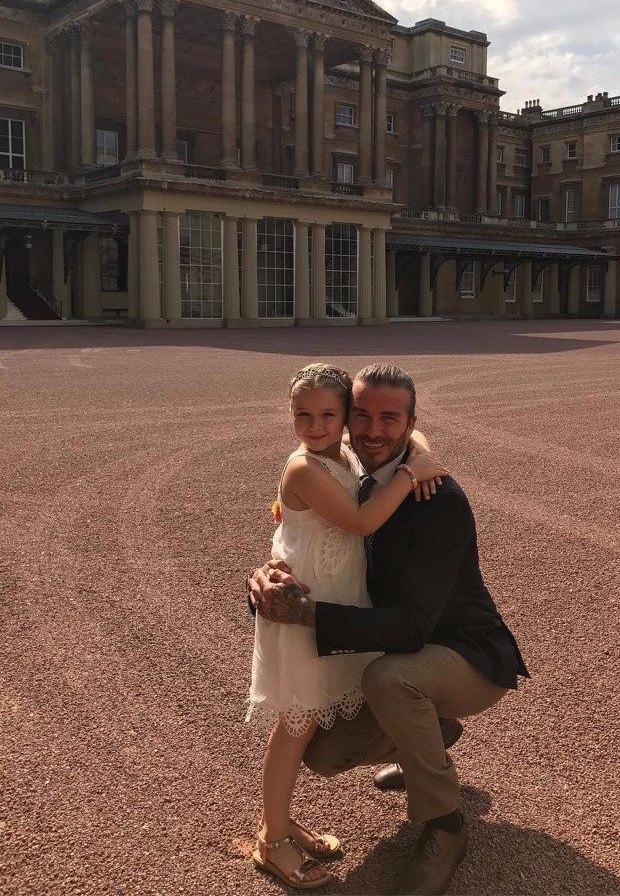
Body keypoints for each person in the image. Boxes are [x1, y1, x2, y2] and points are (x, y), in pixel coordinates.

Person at [249, 363, 529, 896]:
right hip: (394, 645)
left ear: (409, 423)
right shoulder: (348, 467)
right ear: (349, 420)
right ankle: (428, 740)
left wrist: (308, 615)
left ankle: (445, 824)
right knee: (323, 753)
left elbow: (411, 624)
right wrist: (263, 580)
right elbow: (306, 548)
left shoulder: (436, 500)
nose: (375, 430)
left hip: (462, 653)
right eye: (363, 416)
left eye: (390, 420)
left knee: (391, 681)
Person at [247, 363, 447, 891]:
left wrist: (421, 451)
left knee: (310, 723)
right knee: (295, 726)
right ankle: (271, 839)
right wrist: (411, 472)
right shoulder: (304, 469)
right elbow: (362, 522)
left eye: (327, 415)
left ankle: (283, 822)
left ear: (345, 419)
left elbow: (414, 431)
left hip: (336, 608)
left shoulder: (344, 454)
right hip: (305, 612)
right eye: (302, 415)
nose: (313, 425)